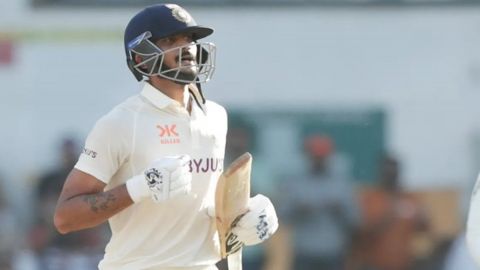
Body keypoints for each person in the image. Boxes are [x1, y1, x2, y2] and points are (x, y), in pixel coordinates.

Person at [53, 4, 278, 270]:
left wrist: (241, 219)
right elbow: (65, 218)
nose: (187, 49)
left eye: (190, 39)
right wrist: (141, 187)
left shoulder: (216, 116)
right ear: (141, 57)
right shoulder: (122, 122)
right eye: (170, 40)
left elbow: (200, 207)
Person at [279, 134, 360, 270]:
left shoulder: (341, 182)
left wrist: (339, 210)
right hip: (304, 252)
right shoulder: (296, 182)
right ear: (308, 156)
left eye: (322, 157)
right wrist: (299, 209)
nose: (319, 160)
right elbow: (283, 216)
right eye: (315, 156)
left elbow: (355, 220)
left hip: (333, 253)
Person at [352, 155, 429, 270]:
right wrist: (389, 214)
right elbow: (362, 233)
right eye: (387, 172)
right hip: (375, 264)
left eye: (394, 172)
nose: (391, 176)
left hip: (403, 264)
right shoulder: (370, 199)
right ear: (381, 174)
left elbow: (425, 227)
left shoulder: (409, 198)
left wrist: (421, 216)